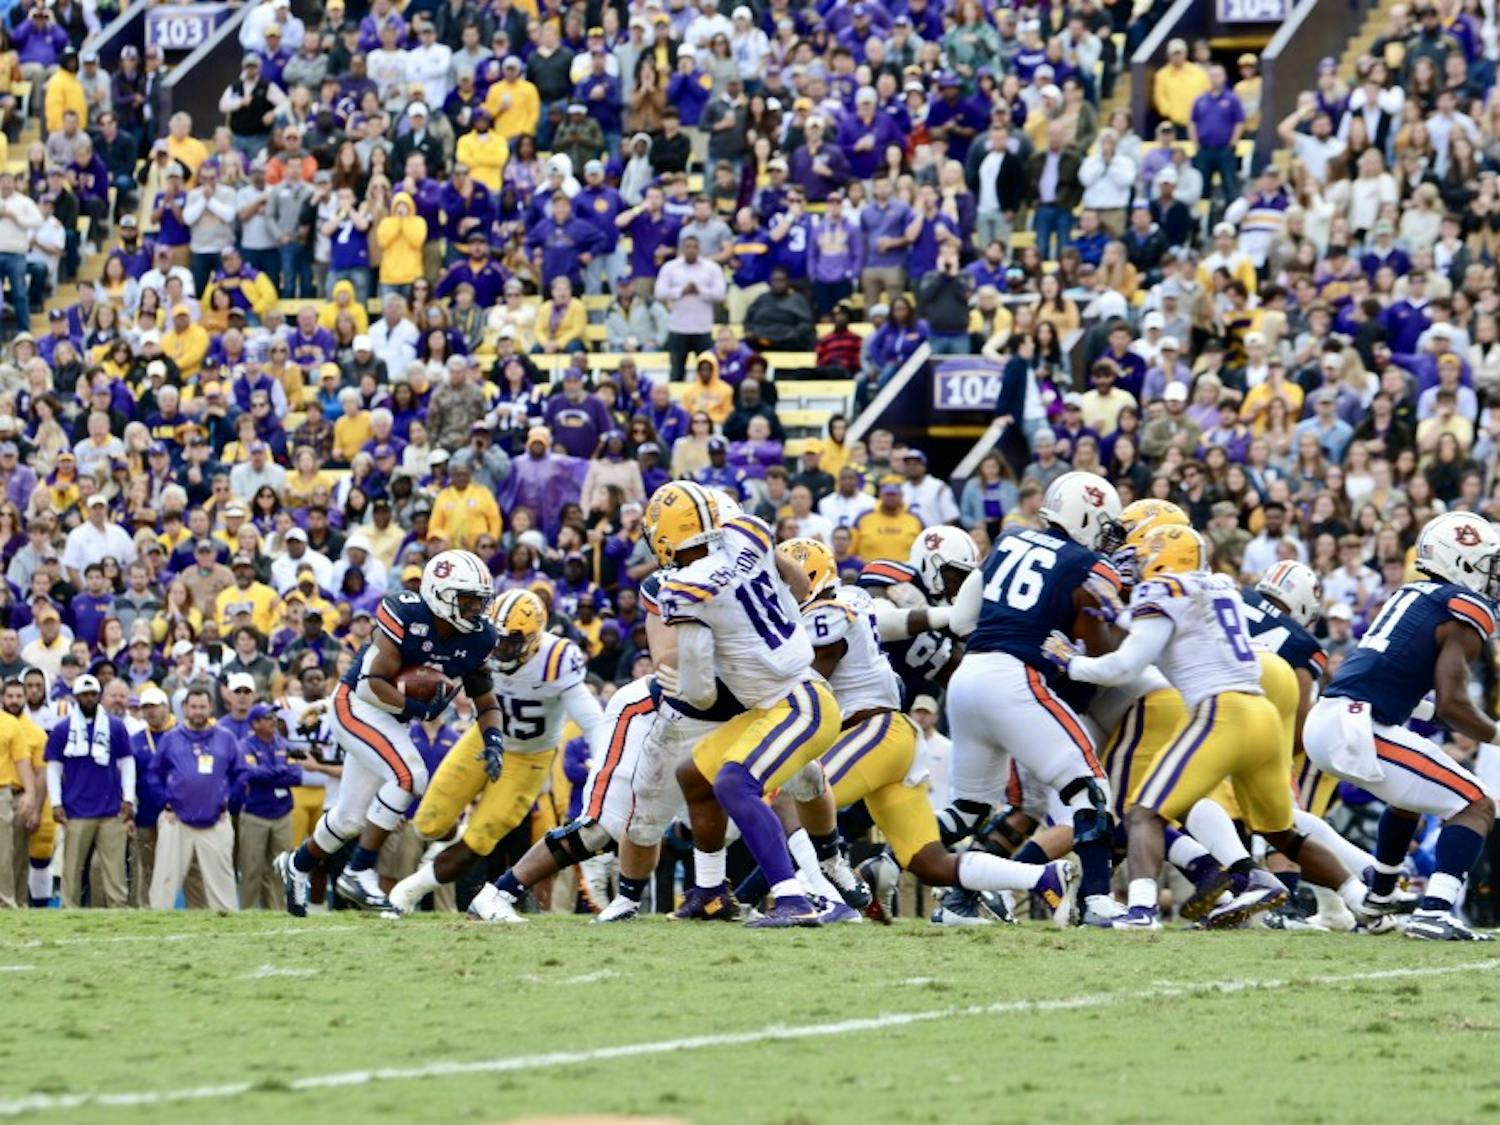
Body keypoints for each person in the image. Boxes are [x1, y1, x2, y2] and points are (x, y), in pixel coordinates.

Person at [779, 537, 1076, 923]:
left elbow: (808, 690)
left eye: (786, 583)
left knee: (794, 794)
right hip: (892, 736)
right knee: (928, 861)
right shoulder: (851, 602)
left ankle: (816, 895)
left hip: (874, 729)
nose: (780, 593)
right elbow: (895, 623)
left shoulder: (825, 614)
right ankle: (1041, 877)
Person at [646, 482, 841, 927]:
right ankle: (711, 893)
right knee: (694, 776)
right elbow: (796, 581)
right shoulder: (747, 532)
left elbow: (699, 689)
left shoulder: (685, 585)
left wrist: (694, 689)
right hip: (782, 696)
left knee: (735, 784)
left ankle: (792, 899)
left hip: (799, 702)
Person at [274, 550, 506, 914]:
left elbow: (486, 700)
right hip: (357, 704)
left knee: (349, 818)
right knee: (409, 776)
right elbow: (370, 685)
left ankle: (296, 865)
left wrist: (494, 740)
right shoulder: (408, 614)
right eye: (468, 600)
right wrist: (418, 708)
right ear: (440, 596)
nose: (477, 609)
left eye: (480, 601)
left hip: (390, 717)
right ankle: (359, 869)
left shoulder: (477, 638)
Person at [1304, 512, 1500, 941]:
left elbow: (1392, 684)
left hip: (1331, 717)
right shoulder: (1463, 608)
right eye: (1489, 565)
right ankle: (1435, 909)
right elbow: (1453, 703)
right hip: (1356, 726)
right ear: (1462, 562)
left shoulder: (1413, 595)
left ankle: (1380, 897)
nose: (1493, 578)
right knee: (1477, 804)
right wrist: (1497, 734)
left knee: (1410, 798)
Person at [942, 473, 1125, 926]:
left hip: (968, 677)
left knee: (967, 811)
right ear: (1086, 516)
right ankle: (1098, 901)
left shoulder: (1007, 539)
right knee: (1090, 790)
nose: (1106, 539)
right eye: (1104, 526)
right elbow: (1101, 644)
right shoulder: (1088, 564)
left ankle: (937, 890)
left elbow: (963, 620)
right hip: (1015, 680)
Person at [389, 590, 605, 917]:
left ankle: (407, 892)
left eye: (509, 642)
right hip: (483, 738)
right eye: (497, 638)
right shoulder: (479, 639)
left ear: (533, 639)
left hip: (529, 758)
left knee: (478, 841)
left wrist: (605, 766)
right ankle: (452, 838)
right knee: (428, 823)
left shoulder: (557, 659)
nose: (499, 648)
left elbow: (593, 722)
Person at [147, 686, 243, 911]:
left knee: (222, 879)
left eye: (202, 707)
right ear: (184, 709)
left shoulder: (225, 738)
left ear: (210, 708)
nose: (198, 711)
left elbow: (242, 773)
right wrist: (165, 802)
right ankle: (157, 920)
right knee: (165, 877)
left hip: (215, 820)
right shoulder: (171, 739)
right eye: (193, 707)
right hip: (177, 819)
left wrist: (229, 801)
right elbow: (153, 773)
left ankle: (228, 923)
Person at [45, 674, 134, 909]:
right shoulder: (63, 729)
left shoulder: (115, 727)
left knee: (114, 866)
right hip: (76, 809)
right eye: (84, 694)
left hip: (111, 809)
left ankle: (118, 907)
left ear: (100, 696)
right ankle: (68, 908)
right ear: (75, 697)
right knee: (72, 866)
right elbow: (53, 768)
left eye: (93, 694)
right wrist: (55, 802)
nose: (89, 699)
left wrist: (128, 797)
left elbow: (127, 763)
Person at [237, 701, 300, 909]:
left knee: (280, 867)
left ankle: (278, 911)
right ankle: (246, 913)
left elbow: (297, 775)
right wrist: (281, 770)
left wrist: (270, 773)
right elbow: (250, 774)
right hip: (256, 814)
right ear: (254, 723)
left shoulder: (282, 743)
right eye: (267, 717)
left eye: (274, 716)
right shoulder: (245, 745)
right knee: (252, 869)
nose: (274, 720)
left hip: (282, 814)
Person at [655, 234, 726, 381]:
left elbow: (720, 294)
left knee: (708, 372)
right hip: (678, 328)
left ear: (700, 249)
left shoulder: (712, 268)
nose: (691, 250)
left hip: (703, 328)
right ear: (682, 249)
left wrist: (700, 291)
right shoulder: (670, 267)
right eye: (688, 247)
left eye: (694, 247)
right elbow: (659, 292)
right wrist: (681, 291)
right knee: (676, 372)